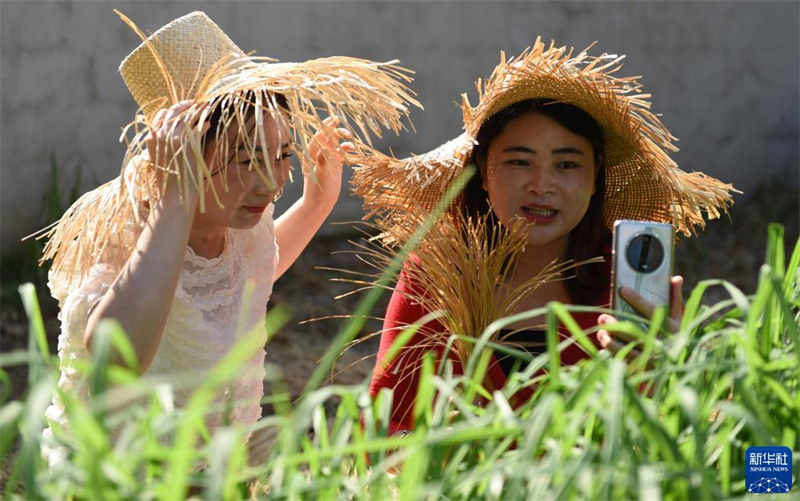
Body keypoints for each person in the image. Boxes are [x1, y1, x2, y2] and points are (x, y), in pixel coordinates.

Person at [38, 10, 418, 465]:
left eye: (280, 155)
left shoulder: (243, 228)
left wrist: (315, 204)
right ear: (182, 157)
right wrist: (172, 206)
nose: (271, 182)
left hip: (212, 466)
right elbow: (114, 358)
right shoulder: (129, 231)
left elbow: (239, 286)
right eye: (245, 160)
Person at [350, 39, 736, 436]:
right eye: (519, 162)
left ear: (594, 179)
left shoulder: (625, 284)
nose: (542, 185)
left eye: (566, 164)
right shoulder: (438, 275)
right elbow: (385, 427)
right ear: (482, 171)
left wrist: (670, 370)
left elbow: (677, 436)